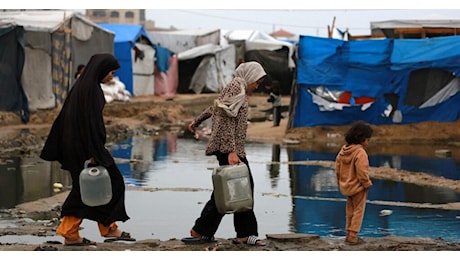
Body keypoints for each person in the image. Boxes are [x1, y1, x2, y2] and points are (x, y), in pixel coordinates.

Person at [40, 53, 135, 246]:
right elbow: (90, 124)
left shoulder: (83, 87)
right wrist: (93, 152)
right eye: (110, 72)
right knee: (104, 184)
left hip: (76, 145)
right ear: (101, 70)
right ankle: (72, 232)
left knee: (93, 187)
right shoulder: (91, 90)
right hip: (84, 148)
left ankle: (104, 229)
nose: (111, 76)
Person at [186, 61, 267, 247]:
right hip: (228, 149)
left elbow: (216, 108)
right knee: (243, 189)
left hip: (231, 148)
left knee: (226, 192)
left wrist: (197, 120)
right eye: (258, 81)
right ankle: (245, 234)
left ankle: (201, 230)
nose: (257, 85)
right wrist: (232, 151)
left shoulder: (236, 87)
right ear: (250, 76)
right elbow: (228, 118)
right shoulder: (236, 87)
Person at [335, 120, 373, 245]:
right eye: (368, 140)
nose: (368, 143)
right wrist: (367, 183)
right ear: (362, 139)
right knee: (358, 210)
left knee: (349, 210)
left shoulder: (344, 150)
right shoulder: (360, 153)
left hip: (346, 186)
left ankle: (348, 233)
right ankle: (353, 235)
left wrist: (339, 182)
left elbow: (338, 169)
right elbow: (362, 172)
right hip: (358, 187)